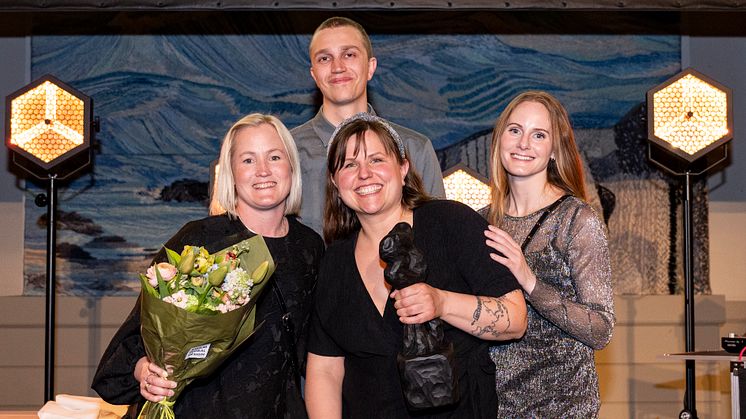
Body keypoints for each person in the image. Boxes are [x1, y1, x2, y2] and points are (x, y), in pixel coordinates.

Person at [92, 113, 325, 418]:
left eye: (274, 156)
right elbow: (140, 335)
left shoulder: (309, 246)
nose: (263, 170)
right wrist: (144, 371)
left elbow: (319, 349)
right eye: (248, 160)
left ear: (291, 166)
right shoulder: (199, 239)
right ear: (230, 172)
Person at [304, 113, 527, 419]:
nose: (364, 174)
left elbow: (515, 318)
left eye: (377, 160)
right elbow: (325, 370)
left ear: (403, 167)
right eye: (349, 165)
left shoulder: (451, 224)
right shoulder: (334, 262)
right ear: (334, 181)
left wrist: (442, 302)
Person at [483, 91, 615, 417]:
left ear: (554, 151)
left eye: (538, 134)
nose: (523, 143)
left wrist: (530, 282)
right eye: (515, 130)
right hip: (494, 404)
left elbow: (601, 329)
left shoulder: (576, 220)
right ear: (500, 138)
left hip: (563, 406)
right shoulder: (481, 222)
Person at [291, 16, 445, 234]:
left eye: (349, 55)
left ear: (370, 67)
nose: (337, 67)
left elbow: (437, 236)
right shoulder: (286, 151)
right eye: (325, 58)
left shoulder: (415, 148)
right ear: (314, 75)